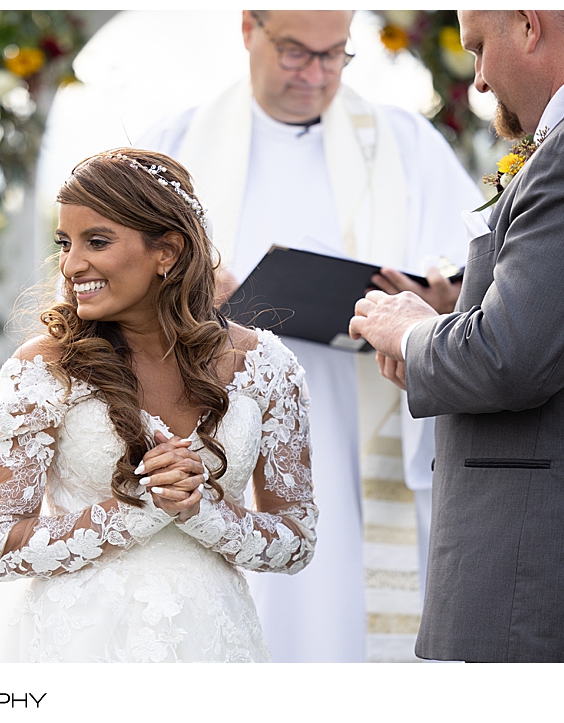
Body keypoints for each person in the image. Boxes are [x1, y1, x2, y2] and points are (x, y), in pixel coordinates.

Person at [140, 10, 483, 661]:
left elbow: (470, 272)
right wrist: (181, 291)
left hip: (356, 426)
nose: (316, 75)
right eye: (297, 53)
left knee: (341, 617)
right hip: (218, 422)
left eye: (335, 56)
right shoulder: (176, 143)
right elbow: (105, 276)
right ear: (248, 28)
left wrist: (442, 297)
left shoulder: (403, 142)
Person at [0, 148, 318, 663]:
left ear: (166, 251)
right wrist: (142, 505)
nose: (72, 265)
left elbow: (297, 540)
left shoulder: (267, 367)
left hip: (214, 645)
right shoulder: (43, 370)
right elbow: (0, 546)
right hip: (78, 649)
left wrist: (202, 511)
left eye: (96, 241)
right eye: (64, 243)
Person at [349, 10, 564, 662]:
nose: (481, 81)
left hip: (538, 577)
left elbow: (510, 355)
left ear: (527, 24)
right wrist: (462, 300)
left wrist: (411, 332)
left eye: (476, 50)